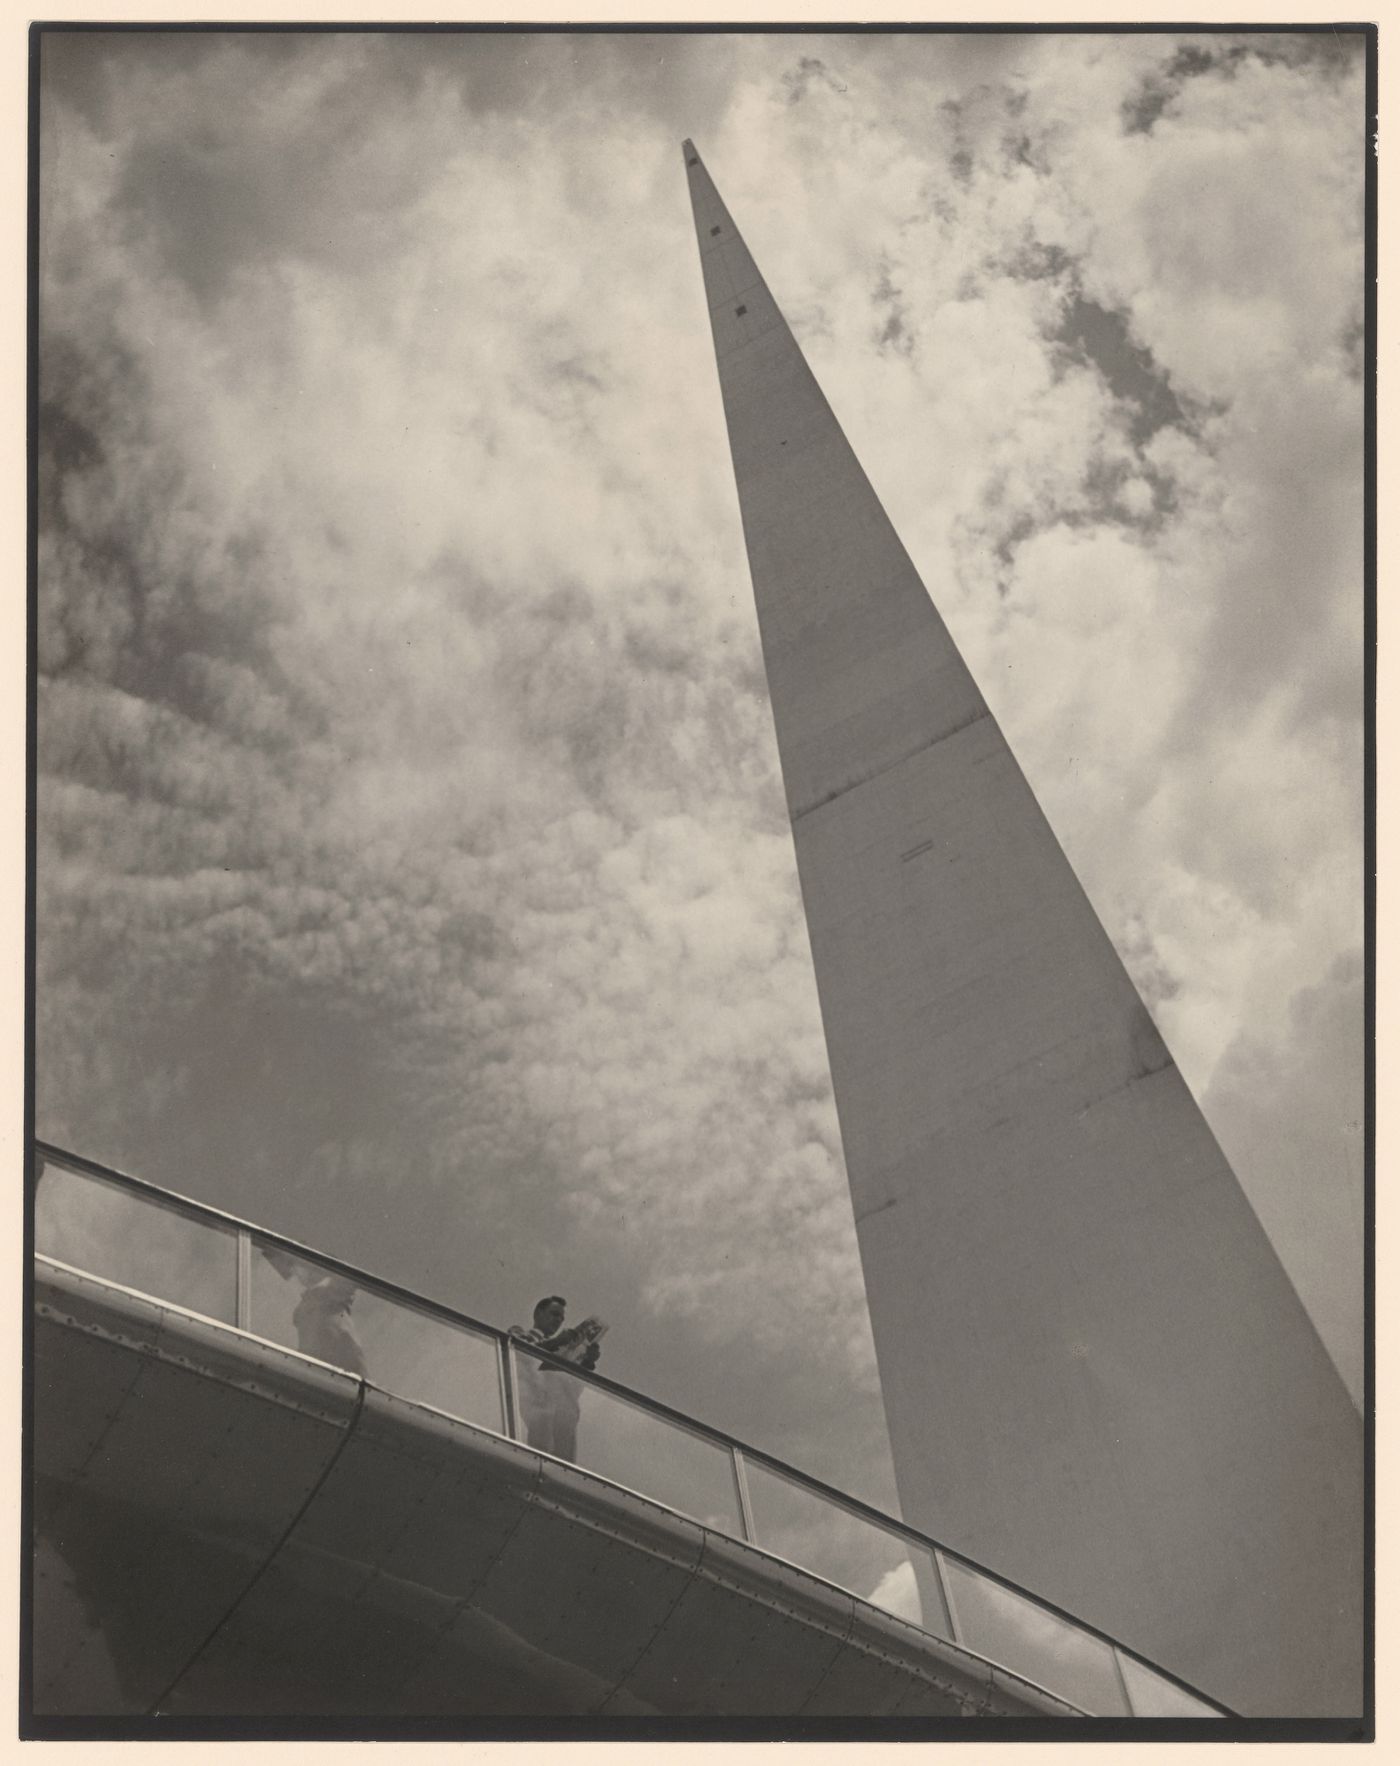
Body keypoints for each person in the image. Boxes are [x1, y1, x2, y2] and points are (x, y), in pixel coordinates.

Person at [508, 1294, 606, 1463]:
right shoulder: (519, 1331)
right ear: (538, 1313)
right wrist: (556, 1342)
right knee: (536, 1455)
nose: (559, 1320)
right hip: (536, 1407)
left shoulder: (561, 1348)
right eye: (554, 1314)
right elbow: (521, 1350)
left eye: (562, 1317)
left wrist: (588, 1360)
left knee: (562, 1463)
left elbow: (573, 1386)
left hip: (560, 1415)